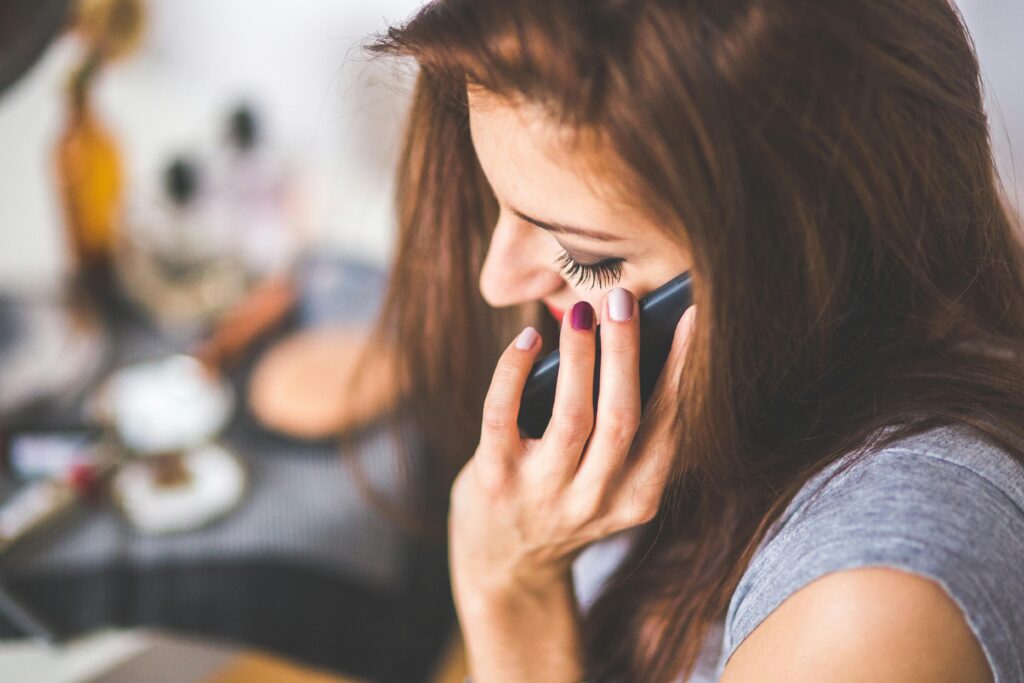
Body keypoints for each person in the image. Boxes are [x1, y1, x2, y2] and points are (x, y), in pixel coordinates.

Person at [364, 0, 1024, 681]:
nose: (495, 282)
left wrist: (510, 592)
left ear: (807, 263)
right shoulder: (751, 400)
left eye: (585, 256)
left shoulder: (872, 615)